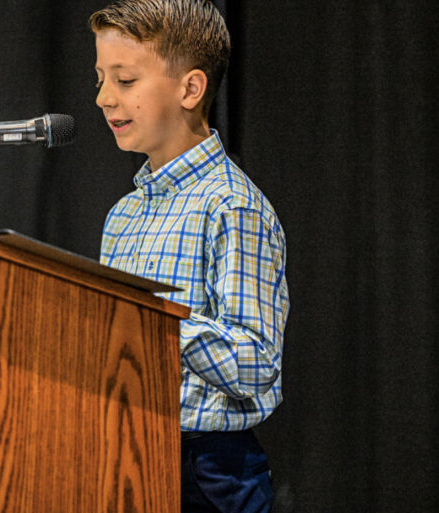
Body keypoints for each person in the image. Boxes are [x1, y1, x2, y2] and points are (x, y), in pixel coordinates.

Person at [91, 1, 290, 511]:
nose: (103, 98)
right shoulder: (123, 215)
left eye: (125, 80)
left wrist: (156, 319)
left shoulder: (233, 205)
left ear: (190, 89)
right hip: (129, 453)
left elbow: (255, 362)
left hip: (212, 474)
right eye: (100, 79)